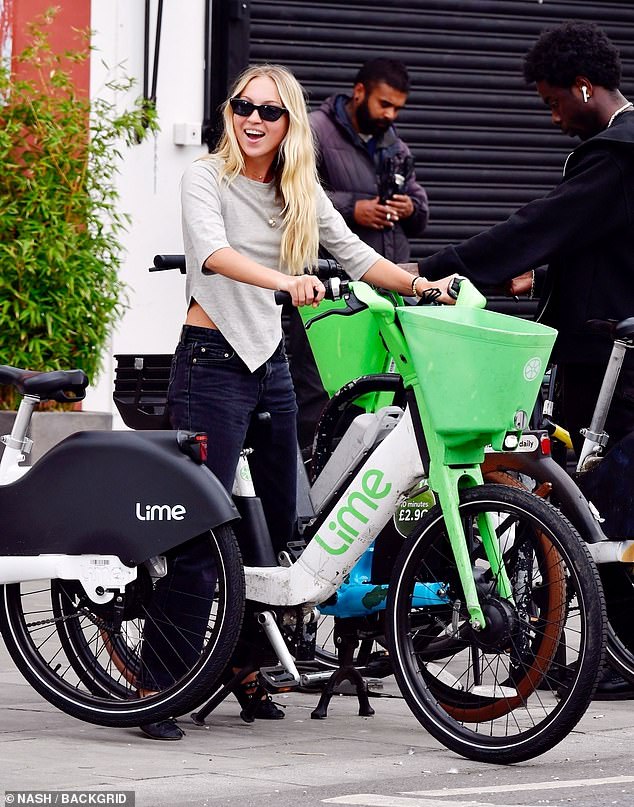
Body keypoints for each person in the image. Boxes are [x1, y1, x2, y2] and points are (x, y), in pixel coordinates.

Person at [139, 63, 456, 740]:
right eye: (242, 106)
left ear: (289, 124)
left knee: (280, 528)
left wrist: (423, 286)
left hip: (269, 364)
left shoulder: (298, 187)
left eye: (269, 111)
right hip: (212, 360)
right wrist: (287, 281)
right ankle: (156, 684)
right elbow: (215, 254)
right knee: (201, 530)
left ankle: (247, 666)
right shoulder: (206, 177)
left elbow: (355, 253)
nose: (253, 119)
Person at [412, 20, 634, 699]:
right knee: (595, 498)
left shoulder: (618, 154)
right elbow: (606, 245)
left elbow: (544, 223)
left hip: (611, 364)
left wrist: (429, 268)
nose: (552, 115)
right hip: (604, 348)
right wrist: (535, 281)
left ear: (583, 86)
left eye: (551, 101)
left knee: (601, 504)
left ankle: (614, 656)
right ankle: (603, 651)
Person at [286, 58, 429, 449]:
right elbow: (289, 195)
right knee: (317, 387)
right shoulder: (312, 132)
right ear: (360, 92)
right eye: (385, 104)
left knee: (378, 389)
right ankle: (313, 483)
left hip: (383, 290)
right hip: (328, 290)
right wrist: (354, 207)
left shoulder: (394, 143)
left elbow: (420, 212)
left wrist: (410, 207)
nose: (390, 114)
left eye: (398, 107)